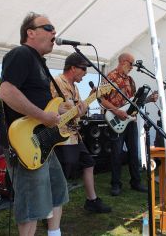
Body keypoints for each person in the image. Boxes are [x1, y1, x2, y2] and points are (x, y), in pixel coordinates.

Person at [0, 12, 68, 236]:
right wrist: (43, 116)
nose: (54, 32)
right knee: (31, 206)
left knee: (58, 192)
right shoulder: (21, 54)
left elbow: (46, 105)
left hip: (44, 140)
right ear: (31, 32)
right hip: (24, 143)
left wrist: (67, 111)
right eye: (48, 27)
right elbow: (7, 92)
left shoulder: (40, 64)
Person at [50, 52, 112, 214]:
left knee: (89, 163)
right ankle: (51, 209)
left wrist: (90, 99)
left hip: (74, 134)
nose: (85, 73)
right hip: (60, 135)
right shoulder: (56, 82)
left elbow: (77, 112)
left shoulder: (75, 87)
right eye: (83, 69)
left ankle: (92, 201)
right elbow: (51, 108)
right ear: (73, 68)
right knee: (64, 169)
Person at [100, 52, 157, 196]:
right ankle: (115, 184)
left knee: (134, 151)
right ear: (123, 62)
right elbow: (100, 99)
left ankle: (136, 182)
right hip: (116, 119)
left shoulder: (131, 80)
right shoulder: (110, 77)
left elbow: (134, 103)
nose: (132, 67)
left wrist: (149, 99)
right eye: (131, 64)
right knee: (116, 153)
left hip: (131, 120)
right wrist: (116, 111)